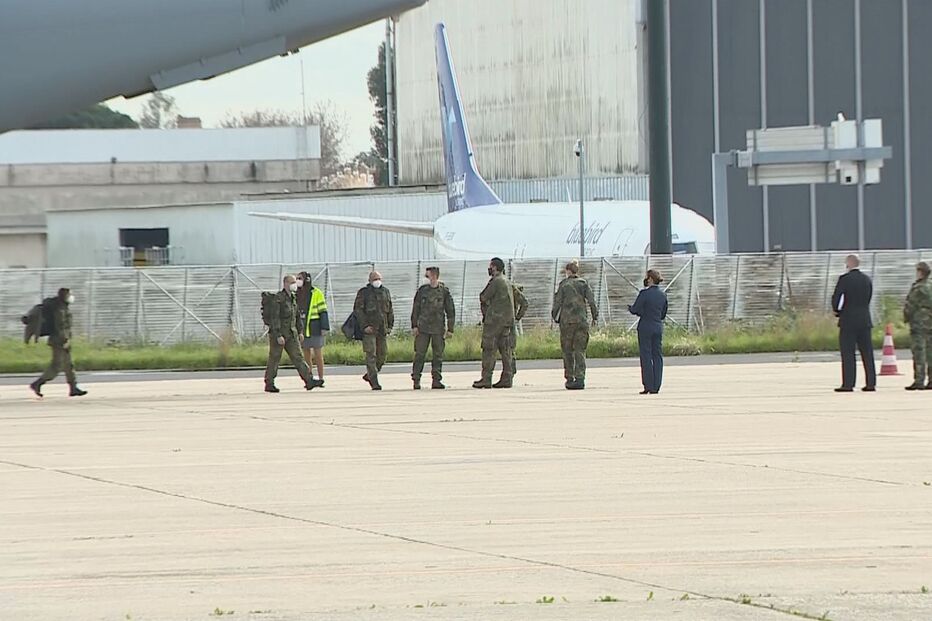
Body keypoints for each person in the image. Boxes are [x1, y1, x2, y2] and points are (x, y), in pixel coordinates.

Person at [831, 254, 877, 392]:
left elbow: (838, 299)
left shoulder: (844, 280)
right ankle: (871, 383)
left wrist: (837, 311)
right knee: (867, 353)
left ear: (849, 264)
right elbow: (868, 298)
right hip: (864, 319)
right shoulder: (867, 279)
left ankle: (848, 383)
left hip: (848, 320)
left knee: (848, 353)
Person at [29, 288, 87, 398]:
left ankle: (73, 387)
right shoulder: (59, 309)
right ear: (64, 296)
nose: (71, 296)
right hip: (59, 341)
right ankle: (38, 383)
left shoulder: (62, 307)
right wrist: (64, 340)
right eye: (69, 294)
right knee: (57, 366)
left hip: (61, 340)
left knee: (68, 365)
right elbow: (60, 327)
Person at [265, 275, 316, 393]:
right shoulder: (278, 298)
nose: (295, 284)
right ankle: (269, 383)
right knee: (274, 358)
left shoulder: (292, 298)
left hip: (291, 333)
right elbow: (275, 318)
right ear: (285, 283)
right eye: (292, 282)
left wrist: (300, 331)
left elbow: (297, 316)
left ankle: (309, 380)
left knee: (298, 357)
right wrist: (278, 335)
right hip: (280, 334)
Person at [552, 260, 599, 390]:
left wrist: (554, 316)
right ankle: (580, 378)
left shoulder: (564, 285)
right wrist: (595, 316)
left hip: (567, 323)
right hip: (581, 321)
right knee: (580, 350)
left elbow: (557, 303)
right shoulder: (584, 284)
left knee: (567, 351)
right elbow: (591, 301)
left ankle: (570, 377)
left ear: (568, 271)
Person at [411, 266, 456, 389]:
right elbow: (416, 309)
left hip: (438, 328)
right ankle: (416, 379)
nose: (427, 278)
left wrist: (450, 329)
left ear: (434, 276)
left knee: (438, 355)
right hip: (423, 328)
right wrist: (414, 325)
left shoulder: (444, 291)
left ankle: (436, 380)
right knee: (420, 354)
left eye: (428, 275)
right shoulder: (422, 291)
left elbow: (450, 310)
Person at [473, 257, 515, 389]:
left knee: (489, 349)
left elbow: (484, 296)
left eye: (491, 266)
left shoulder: (496, 282)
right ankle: (507, 378)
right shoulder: (507, 282)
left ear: (495, 268)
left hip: (494, 322)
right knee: (506, 350)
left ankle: (486, 378)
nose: (489, 269)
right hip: (507, 322)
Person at [628, 270, 668, 395]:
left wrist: (630, 308)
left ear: (650, 279)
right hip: (657, 326)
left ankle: (648, 385)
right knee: (657, 355)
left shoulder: (644, 294)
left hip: (645, 326)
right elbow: (663, 313)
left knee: (646, 356)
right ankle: (656, 385)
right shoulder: (663, 295)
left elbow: (636, 309)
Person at [354, 270, 394, 391]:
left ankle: (370, 375)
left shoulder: (385, 292)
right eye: (375, 279)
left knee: (382, 355)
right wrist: (365, 326)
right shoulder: (364, 293)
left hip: (382, 329)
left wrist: (390, 326)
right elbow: (358, 310)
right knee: (371, 355)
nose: (377, 281)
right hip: (369, 330)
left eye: (379, 279)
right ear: (370, 280)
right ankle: (374, 381)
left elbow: (390, 310)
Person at [296, 271, 329, 388]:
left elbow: (323, 311)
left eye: (300, 278)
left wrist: (324, 327)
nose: (298, 280)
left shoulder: (316, 293)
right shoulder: (295, 293)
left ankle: (321, 378)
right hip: (302, 327)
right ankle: (309, 377)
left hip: (315, 326)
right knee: (306, 353)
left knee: (318, 354)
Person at [903, 261, 932, 391]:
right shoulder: (930, 286)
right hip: (930, 322)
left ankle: (919, 380)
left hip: (919, 323)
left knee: (919, 351)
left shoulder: (918, 288)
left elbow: (911, 305)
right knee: (930, 351)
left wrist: (906, 317)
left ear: (920, 272)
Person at [509, 283, 529, 377]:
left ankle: (510, 372)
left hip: (508, 322)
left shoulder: (511, 288)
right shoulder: (493, 285)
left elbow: (524, 303)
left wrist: (517, 318)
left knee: (509, 348)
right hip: (504, 322)